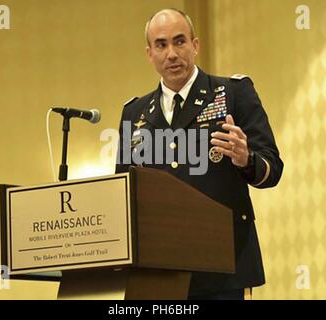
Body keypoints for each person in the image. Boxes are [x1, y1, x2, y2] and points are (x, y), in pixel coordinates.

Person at [116, 8, 283, 300]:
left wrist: (247, 159)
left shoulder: (232, 93)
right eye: (161, 44)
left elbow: (273, 168)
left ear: (195, 45)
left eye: (179, 41)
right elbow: (122, 193)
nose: (171, 53)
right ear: (149, 54)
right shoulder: (135, 113)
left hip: (222, 267)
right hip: (156, 271)